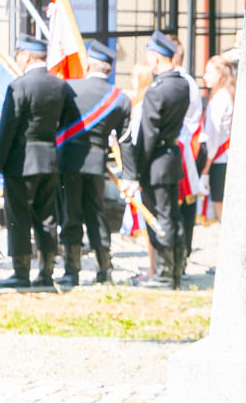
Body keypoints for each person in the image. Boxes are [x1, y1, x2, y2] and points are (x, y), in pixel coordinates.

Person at [0, 34, 67, 288]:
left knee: (18, 217)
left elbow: (8, 128)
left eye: (18, 54)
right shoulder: (59, 85)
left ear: (26, 56)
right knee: (47, 216)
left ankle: (21, 272)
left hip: (21, 161)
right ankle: (46, 271)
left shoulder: (19, 86)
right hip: (49, 157)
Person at [56, 41, 131, 286]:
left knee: (70, 215)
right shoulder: (120, 98)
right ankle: (104, 271)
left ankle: (71, 271)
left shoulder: (68, 88)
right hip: (97, 163)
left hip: (68, 162)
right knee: (96, 216)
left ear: (88, 64)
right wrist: (129, 173)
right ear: (109, 69)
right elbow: (124, 139)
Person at [121, 30, 190, 289]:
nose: (148, 63)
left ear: (158, 58)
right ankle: (174, 272)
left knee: (158, 218)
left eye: (150, 57)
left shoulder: (156, 90)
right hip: (171, 156)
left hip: (155, 161)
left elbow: (147, 136)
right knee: (171, 216)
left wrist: (136, 172)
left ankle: (163, 274)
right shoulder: (181, 84)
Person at [168, 35, 202, 266]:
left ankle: (182, 254)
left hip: (184, 147)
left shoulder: (183, 82)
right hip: (179, 146)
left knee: (183, 205)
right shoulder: (183, 81)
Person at [119, 62, 156, 276]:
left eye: (134, 76)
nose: (131, 79)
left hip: (142, 168)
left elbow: (136, 139)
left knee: (148, 219)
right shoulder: (137, 101)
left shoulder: (143, 105)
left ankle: (153, 269)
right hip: (139, 166)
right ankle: (153, 267)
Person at [200, 55, 235, 222]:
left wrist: (205, 169)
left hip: (219, 159)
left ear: (220, 73)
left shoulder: (220, 98)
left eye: (208, 71)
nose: (204, 76)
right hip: (225, 157)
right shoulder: (227, 94)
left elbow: (212, 138)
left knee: (221, 207)